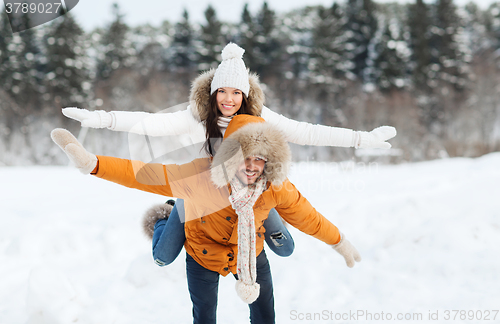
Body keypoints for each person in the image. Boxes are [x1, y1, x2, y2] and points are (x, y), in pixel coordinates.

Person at [61, 43, 395, 266]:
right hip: (203, 189)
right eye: (223, 91)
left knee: (287, 249)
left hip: (254, 192)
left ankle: (254, 230)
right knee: (163, 257)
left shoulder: (262, 118)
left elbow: (308, 132)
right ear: (214, 90)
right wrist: (103, 119)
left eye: (237, 92)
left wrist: (361, 140)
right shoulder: (197, 116)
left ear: (246, 94)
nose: (229, 99)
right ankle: (168, 214)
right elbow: (151, 124)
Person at [51, 114, 362, 324]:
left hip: (249, 252)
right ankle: (169, 217)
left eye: (261, 159)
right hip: (202, 252)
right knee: (203, 314)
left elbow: (310, 217)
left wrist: (340, 242)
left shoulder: (277, 187)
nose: (253, 166)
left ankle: (268, 224)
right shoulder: (201, 175)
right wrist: (93, 164)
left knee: (265, 312)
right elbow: (144, 174)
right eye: (246, 157)